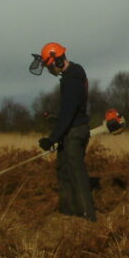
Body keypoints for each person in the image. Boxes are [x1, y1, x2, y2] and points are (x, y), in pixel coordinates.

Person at [29, 42, 97, 222]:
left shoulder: (72, 79)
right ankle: (69, 216)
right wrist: (55, 119)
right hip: (71, 130)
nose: (49, 70)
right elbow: (70, 110)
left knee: (76, 173)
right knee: (63, 170)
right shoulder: (72, 75)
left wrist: (52, 138)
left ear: (58, 60)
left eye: (49, 65)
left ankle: (88, 218)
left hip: (75, 133)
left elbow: (70, 112)